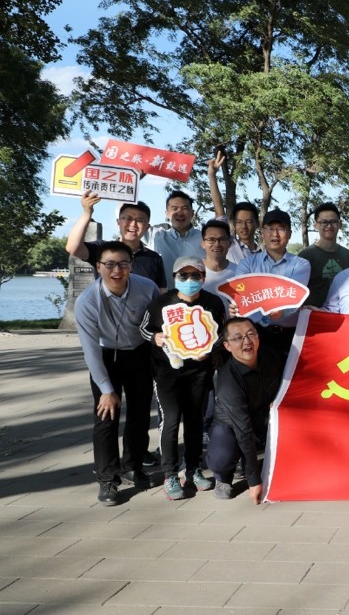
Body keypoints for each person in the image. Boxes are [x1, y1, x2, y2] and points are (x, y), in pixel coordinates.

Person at [74, 241, 161, 505]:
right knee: (106, 416)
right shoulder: (87, 301)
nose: (117, 270)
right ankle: (107, 478)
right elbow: (90, 349)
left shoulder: (147, 288)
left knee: (139, 414)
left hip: (139, 353)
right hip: (105, 356)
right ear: (98, 267)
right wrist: (106, 389)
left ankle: (133, 465)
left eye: (123, 264)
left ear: (131, 265)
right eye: (109, 264)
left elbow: (157, 325)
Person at [140, 256, 226, 500]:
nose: (189, 280)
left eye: (195, 275)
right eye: (183, 275)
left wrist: (209, 350)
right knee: (170, 421)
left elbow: (222, 333)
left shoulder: (213, 303)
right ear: (174, 277)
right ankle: (169, 474)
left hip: (199, 372)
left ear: (204, 277)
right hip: (167, 372)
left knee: (195, 420)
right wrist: (155, 338)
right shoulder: (160, 303)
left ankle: (193, 469)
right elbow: (143, 328)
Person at [206, 317, 283, 504]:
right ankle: (223, 477)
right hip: (233, 427)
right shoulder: (228, 381)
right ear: (227, 346)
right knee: (222, 455)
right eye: (238, 338)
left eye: (250, 334)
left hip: (263, 419)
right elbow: (243, 431)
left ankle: (256, 464)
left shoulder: (272, 357)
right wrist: (254, 481)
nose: (247, 341)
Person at [234, 209, 311, 354]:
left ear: (289, 234)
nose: (275, 234)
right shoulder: (247, 264)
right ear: (262, 232)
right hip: (256, 333)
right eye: (270, 228)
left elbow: (294, 298)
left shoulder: (301, 264)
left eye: (281, 229)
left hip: (290, 334)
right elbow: (241, 295)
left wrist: (258, 296)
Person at [66, 191, 167, 289]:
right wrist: (87, 212)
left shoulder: (154, 258)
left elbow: (161, 292)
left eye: (140, 220)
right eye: (128, 218)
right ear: (118, 222)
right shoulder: (103, 249)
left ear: (147, 227)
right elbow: (73, 247)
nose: (133, 224)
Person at [298, 202, 349, 307]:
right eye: (324, 222)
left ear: (340, 224)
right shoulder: (305, 256)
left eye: (333, 222)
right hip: (314, 313)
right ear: (315, 225)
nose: (329, 226)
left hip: (342, 312)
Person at [207, 153, 260, 263]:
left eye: (248, 222)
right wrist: (212, 176)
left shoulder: (264, 254)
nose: (244, 227)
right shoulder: (229, 244)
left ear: (257, 224)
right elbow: (219, 212)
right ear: (234, 224)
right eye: (239, 222)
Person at [143, 190, 205, 267]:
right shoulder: (155, 236)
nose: (180, 213)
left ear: (192, 213)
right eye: (174, 208)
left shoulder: (205, 239)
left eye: (184, 208)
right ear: (166, 213)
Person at [200, 220, 238, 308]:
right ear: (203, 243)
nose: (217, 244)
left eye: (222, 240)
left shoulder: (239, 272)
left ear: (229, 243)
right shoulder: (194, 273)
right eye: (211, 240)